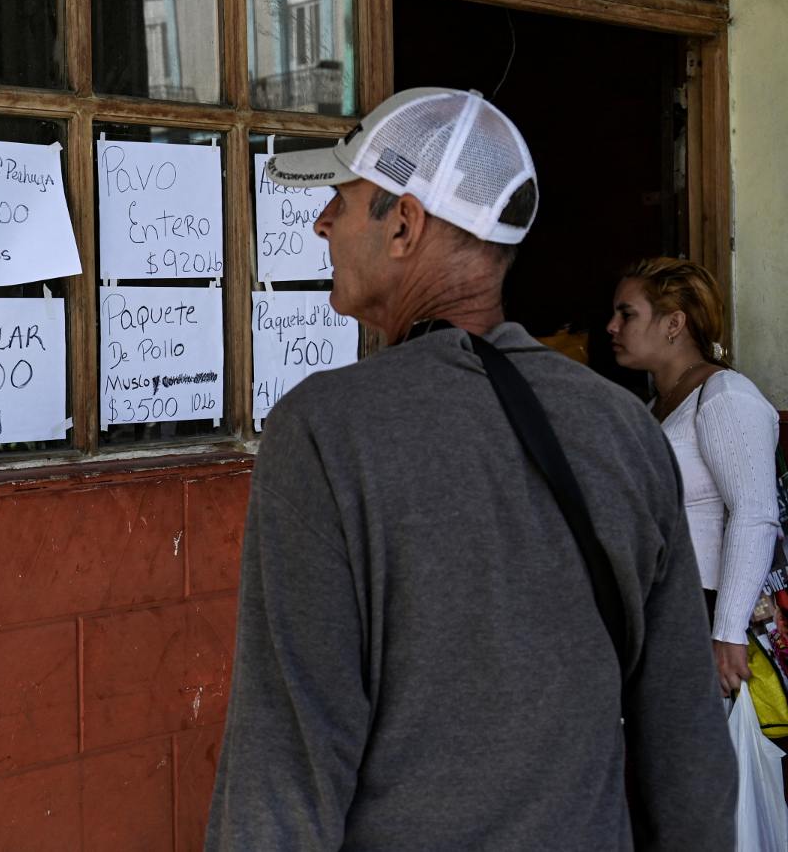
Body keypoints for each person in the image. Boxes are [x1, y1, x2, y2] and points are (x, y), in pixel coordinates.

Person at [206, 88, 734, 850]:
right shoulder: (624, 427)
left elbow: (285, 762)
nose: (322, 222)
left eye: (342, 201)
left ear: (405, 225)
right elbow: (687, 745)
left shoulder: (326, 430)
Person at [608, 257, 780, 696]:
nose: (612, 326)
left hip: (707, 611)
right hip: (665, 609)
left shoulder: (724, 397)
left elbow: (754, 513)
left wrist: (728, 633)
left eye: (627, 314)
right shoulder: (656, 409)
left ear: (674, 324)